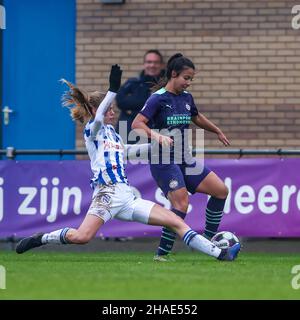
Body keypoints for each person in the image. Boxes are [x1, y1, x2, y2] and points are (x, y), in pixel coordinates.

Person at [15, 64, 240, 262]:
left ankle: (220, 254)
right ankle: (41, 238)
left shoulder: (113, 135)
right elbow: (99, 118)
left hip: (127, 197)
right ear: (95, 110)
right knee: (82, 237)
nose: (113, 113)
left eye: (112, 109)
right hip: (106, 194)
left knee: (175, 221)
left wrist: (157, 144)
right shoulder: (91, 132)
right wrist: (113, 90)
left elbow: (127, 152)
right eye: (109, 109)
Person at [132, 53, 231, 262]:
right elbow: (136, 124)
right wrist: (156, 135)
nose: (188, 83)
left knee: (220, 190)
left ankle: (208, 240)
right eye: (186, 78)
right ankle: (162, 254)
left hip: (184, 158)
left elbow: (196, 116)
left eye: (191, 79)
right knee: (181, 204)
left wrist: (216, 130)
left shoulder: (186, 97)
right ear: (174, 74)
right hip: (163, 160)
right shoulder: (157, 98)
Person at [116, 49, 164, 142]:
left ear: (161, 65)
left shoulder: (165, 85)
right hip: (128, 133)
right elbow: (120, 101)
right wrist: (149, 105)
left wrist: (132, 108)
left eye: (156, 62)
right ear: (144, 64)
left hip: (153, 134)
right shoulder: (133, 83)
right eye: (149, 62)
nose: (152, 65)